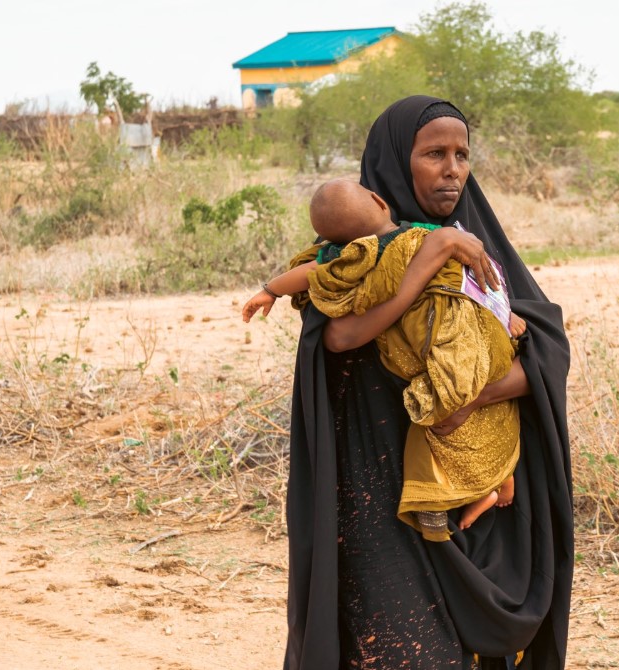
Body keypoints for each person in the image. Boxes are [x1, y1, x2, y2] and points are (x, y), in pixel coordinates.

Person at [271, 96, 573, 669]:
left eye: (461, 153)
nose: (452, 168)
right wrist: (427, 258)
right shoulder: (354, 255)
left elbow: (546, 350)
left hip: (466, 492)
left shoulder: (480, 249)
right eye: (434, 153)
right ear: (393, 165)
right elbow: (335, 340)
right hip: (378, 506)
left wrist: (466, 396)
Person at [241, 179, 525, 537]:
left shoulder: (352, 257)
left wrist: (269, 290)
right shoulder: (427, 234)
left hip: (432, 343)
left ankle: (456, 496)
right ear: (380, 200)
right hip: (468, 330)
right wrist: (505, 314)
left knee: (440, 420)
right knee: (479, 410)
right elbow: (468, 281)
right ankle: (500, 479)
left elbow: (310, 273)